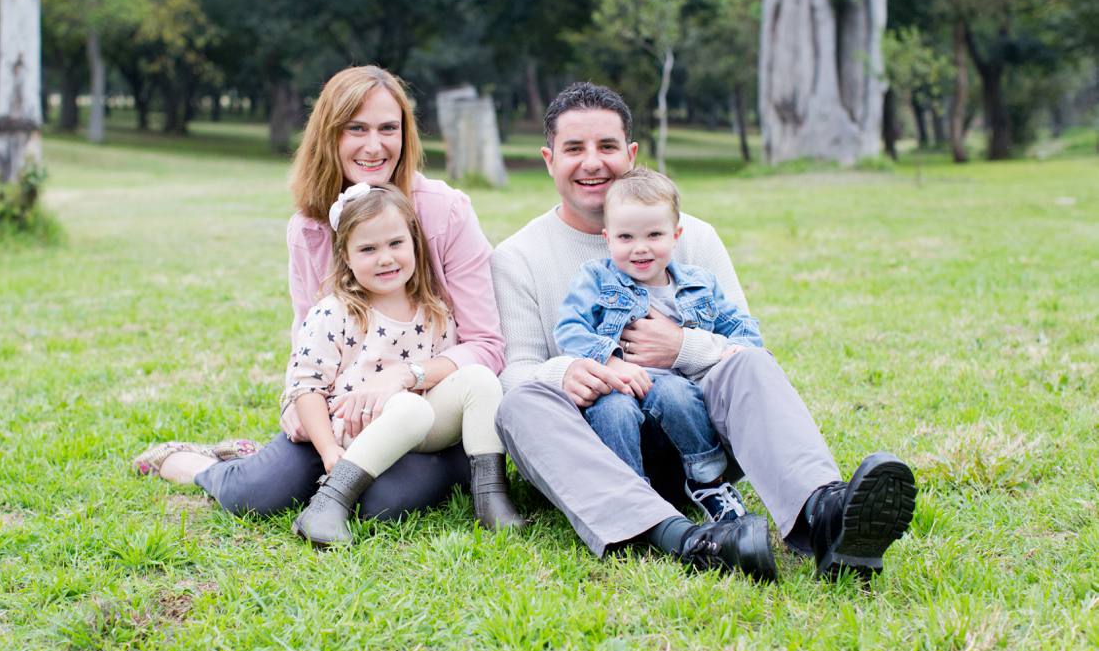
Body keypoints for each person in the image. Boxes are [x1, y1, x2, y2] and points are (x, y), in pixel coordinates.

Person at [492, 82, 916, 582]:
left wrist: (682, 345)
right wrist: (567, 370)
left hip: (696, 439)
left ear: (630, 154)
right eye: (574, 149)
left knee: (750, 366)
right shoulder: (518, 256)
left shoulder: (691, 236)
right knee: (518, 403)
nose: (592, 162)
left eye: (607, 147)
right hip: (602, 449)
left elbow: (746, 345)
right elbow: (515, 370)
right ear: (549, 159)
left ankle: (824, 514)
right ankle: (682, 538)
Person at [133, 65, 507, 525]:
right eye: (357, 129)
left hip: (429, 417)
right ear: (330, 135)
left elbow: (486, 347)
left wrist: (403, 375)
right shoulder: (309, 230)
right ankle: (204, 464)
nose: (375, 145)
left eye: (389, 128)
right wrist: (298, 405)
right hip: (341, 415)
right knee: (257, 493)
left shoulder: (446, 211)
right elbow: (308, 340)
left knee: (380, 505)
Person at [286, 183, 523, 544]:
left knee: (479, 378)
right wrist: (326, 449)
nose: (386, 258)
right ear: (345, 256)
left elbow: (445, 378)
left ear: (414, 244)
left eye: (396, 244)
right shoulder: (334, 312)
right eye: (368, 249)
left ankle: (491, 497)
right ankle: (327, 504)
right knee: (411, 407)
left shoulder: (434, 311)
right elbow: (307, 386)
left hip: (421, 423)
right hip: (359, 429)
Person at [554, 167, 760, 523]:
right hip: (615, 385)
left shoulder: (699, 284)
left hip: (677, 392)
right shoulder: (596, 278)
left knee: (676, 393)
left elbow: (741, 326)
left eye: (654, 234)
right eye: (626, 237)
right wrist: (610, 359)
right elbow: (570, 327)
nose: (640, 248)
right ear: (608, 238)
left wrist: (740, 348)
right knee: (612, 412)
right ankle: (629, 498)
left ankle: (709, 480)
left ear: (676, 235)